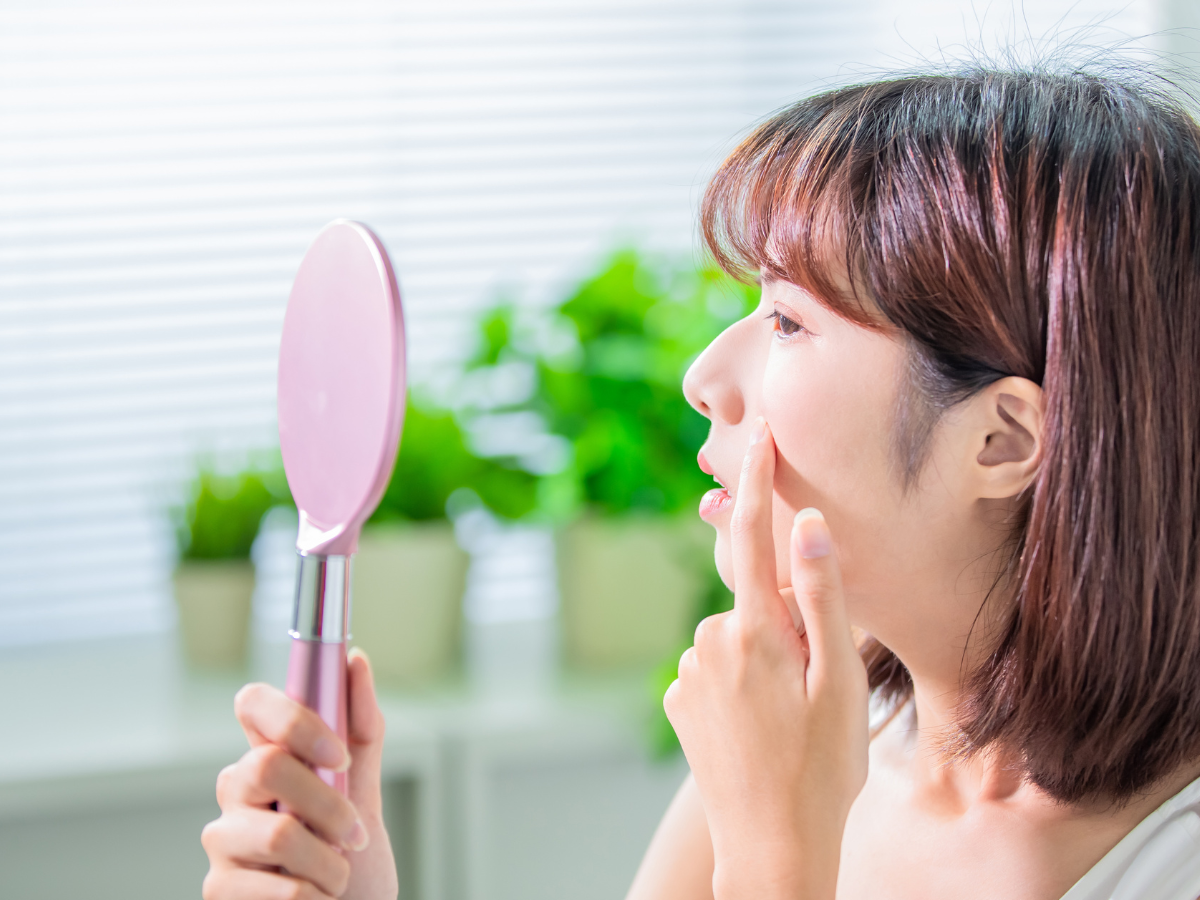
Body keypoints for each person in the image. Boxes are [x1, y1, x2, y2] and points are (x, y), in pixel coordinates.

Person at [201, 64, 1200, 900]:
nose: (705, 378)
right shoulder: (830, 722)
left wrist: (777, 856)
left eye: (789, 322)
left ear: (1002, 439)